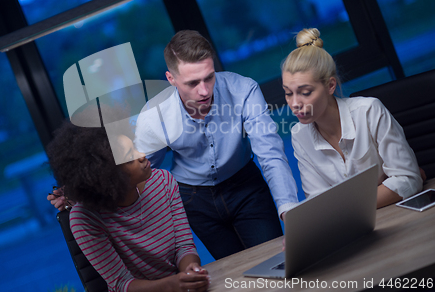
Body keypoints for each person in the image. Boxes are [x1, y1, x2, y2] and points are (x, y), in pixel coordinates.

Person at [131, 30, 299, 260]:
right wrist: (83, 193)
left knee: (276, 262)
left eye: (209, 77)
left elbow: (270, 152)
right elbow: (137, 171)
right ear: (171, 79)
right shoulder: (153, 116)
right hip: (194, 200)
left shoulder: (243, 90)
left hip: (246, 187)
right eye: (192, 82)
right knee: (238, 276)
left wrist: (290, 213)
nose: (204, 90)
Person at [47, 120, 209, 292]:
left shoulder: (164, 181)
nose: (142, 155)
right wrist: (172, 284)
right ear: (106, 175)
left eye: (135, 146)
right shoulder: (85, 219)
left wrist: (189, 272)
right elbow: (121, 283)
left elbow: (183, 246)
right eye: (129, 157)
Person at [281, 27, 424, 208]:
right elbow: (318, 204)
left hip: (396, 216)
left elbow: (409, 179)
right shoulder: (299, 134)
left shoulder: (369, 110)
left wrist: (341, 206)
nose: (294, 103)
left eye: (305, 92)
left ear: (330, 85)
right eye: (288, 93)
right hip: (352, 228)